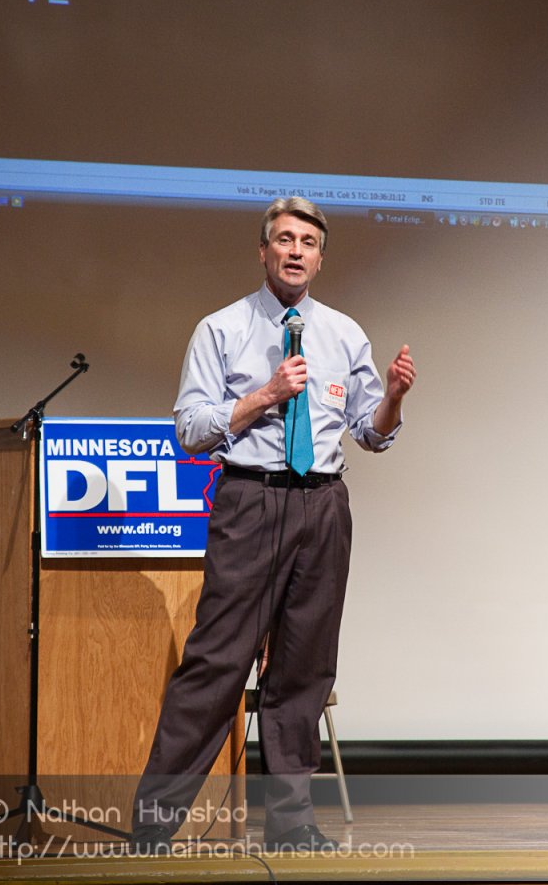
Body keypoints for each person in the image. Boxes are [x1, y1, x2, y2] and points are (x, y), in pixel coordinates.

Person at [131, 197, 416, 853]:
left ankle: (291, 823)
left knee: (304, 670)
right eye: (283, 239)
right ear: (263, 252)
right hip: (250, 502)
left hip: (323, 507)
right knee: (215, 663)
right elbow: (190, 431)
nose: (295, 250)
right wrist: (264, 396)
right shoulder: (222, 328)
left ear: (319, 256)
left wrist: (395, 398)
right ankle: (152, 825)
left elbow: (372, 434)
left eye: (307, 242)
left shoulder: (344, 334)